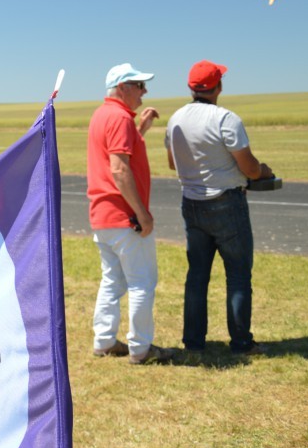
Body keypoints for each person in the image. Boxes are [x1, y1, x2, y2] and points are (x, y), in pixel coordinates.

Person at [165, 60, 273, 356]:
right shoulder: (226, 119)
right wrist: (263, 170)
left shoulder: (176, 119)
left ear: (190, 88)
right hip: (226, 202)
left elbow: (172, 162)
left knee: (197, 276)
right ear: (219, 86)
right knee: (238, 273)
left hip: (191, 203)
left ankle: (194, 343)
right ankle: (241, 342)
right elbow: (249, 169)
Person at [87, 63, 174, 365]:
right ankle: (140, 349)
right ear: (122, 87)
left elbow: (120, 152)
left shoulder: (103, 115)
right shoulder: (120, 118)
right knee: (142, 282)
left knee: (112, 280)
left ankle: (104, 341)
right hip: (125, 218)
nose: (144, 91)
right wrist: (142, 213)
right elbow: (119, 168)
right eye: (138, 85)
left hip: (102, 216)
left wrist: (141, 129)